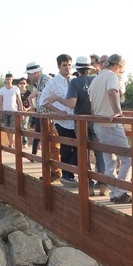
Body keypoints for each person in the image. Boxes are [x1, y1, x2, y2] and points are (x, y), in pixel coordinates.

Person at [43, 56, 107, 196]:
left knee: (83, 153)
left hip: (80, 121)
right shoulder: (95, 80)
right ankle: (103, 186)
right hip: (94, 119)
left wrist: (57, 98)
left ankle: (89, 187)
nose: (68, 67)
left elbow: (71, 104)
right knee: (99, 152)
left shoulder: (75, 82)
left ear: (77, 68)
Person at [88, 54, 132, 204]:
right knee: (127, 159)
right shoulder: (112, 76)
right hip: (111, 124)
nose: (121, 73)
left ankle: (114, 192)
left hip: (99, 124)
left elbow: (92, 104)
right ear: (118, 66)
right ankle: (121, 192)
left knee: (109, 160)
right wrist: (117, 112)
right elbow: (112, 92)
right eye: (122, 70)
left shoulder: (95, 79)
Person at [40, 54, 78, 188]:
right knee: (66, 149)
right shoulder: (53, 82)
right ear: (58, 66)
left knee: (80, 148)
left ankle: (69, 173)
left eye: (69, 65)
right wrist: (57, 112)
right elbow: (43, 101)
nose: (67, 68)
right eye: (64, 65)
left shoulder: (75, 80)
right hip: (62, 121)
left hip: (77, 120)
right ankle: (68, 176)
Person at [26, 61, 62, 181]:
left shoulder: (46, 81)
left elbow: (55, 97)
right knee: (48, 146)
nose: (28, 77)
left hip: (50, 117)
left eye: (29, 74)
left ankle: (56, 173)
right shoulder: (39, 83)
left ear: (35, 73)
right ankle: (51, 172)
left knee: (53, 146)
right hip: (45, 117)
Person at [0, 73, 23, 148]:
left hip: (13, 111)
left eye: (10, 79)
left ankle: (11, 143)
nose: (8, 81)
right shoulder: (2, 89)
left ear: (12, 80)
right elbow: (0, 101)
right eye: (7, 79)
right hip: (5, 110)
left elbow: (19, 100)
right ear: (5, 80)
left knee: (12, 127)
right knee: (7, 128)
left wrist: (21, 111)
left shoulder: (16, 89)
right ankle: (10, 142)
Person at [17, 77, 32, 147]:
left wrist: (26, 109)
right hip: (17, 111)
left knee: (24, 126)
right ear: (18, 84)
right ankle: (17, 141)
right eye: (21, 83)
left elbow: (32, 104)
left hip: (26, 111)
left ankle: (25, 142)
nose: (22, 84)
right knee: (17, 126)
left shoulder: (29, 93)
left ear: (26, 84)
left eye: (24, 83)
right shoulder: (16, 92)